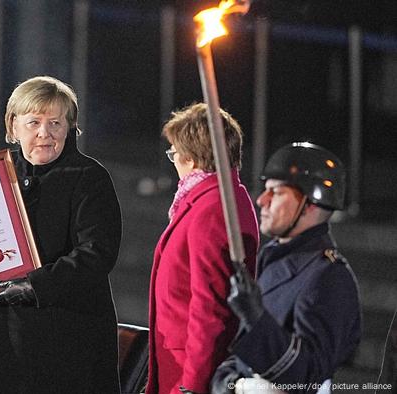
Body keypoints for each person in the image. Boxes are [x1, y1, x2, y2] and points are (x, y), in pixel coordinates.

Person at [0, 76, 122, 394]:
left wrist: (34, 286)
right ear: (14, 127)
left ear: (70, 127)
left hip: (65, 347)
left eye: (55, 123)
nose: (44, 133)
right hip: (3, 342)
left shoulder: (89, 178)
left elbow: (97, 253)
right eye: (34, 122)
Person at [211, 142, 362, 394]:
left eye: (277, 192)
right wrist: (234, 384)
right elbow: (235, 357)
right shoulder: (272, 259)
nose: (261, 200)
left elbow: (309, 374)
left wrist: (256, 318)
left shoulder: (329, 277)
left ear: (310, 203)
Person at [147, 103, 260, 394]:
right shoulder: (215, 199)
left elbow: (209, 308)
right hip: (181, 361)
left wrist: (191, 385)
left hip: (188, 368)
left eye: (174, 153)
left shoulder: (211, 209)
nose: (172, 161)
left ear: (193, 159)